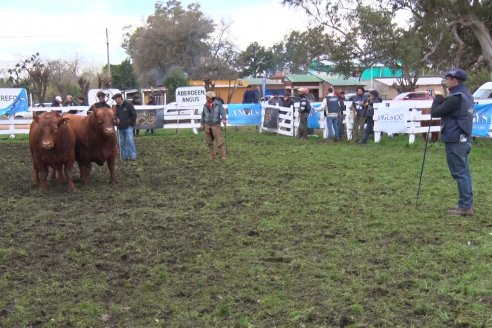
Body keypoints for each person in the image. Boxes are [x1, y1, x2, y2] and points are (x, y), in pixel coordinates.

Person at [431, 68, 474, 216]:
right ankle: (467, 202)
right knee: (465, 172)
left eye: (448, 78)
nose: (446, 81)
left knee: (459, 173)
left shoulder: (455, 97)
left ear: (455, 80)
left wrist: (437, 97)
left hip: (455, 139)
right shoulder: (467, 95)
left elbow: (435, 112)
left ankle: (465, 206)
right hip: (464, 138)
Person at [201, 91, 227, 161]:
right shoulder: (205, 105)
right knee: (209, 142)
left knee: (219, 141)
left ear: (210, 98)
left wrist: (224, 119)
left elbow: (222, 112)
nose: (206, 98)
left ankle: (223, 156)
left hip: (216, 125)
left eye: (207, 97)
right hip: (207, 125)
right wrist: (202, 124)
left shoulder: (218, 104)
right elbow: (203, 115)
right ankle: (212, 156)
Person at [113, 93, 137, 161]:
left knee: (130, 141)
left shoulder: (128, 105)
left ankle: (133, 156)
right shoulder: (116, 107)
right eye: (114, 99)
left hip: (128, 127)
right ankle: (125, 157)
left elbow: (134, 114)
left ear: (120, 98)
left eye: (116, 99)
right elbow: (115, 115)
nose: (115, 100)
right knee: (122, 143)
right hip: (120, 127)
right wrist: (116, 119)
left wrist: (131, 124)